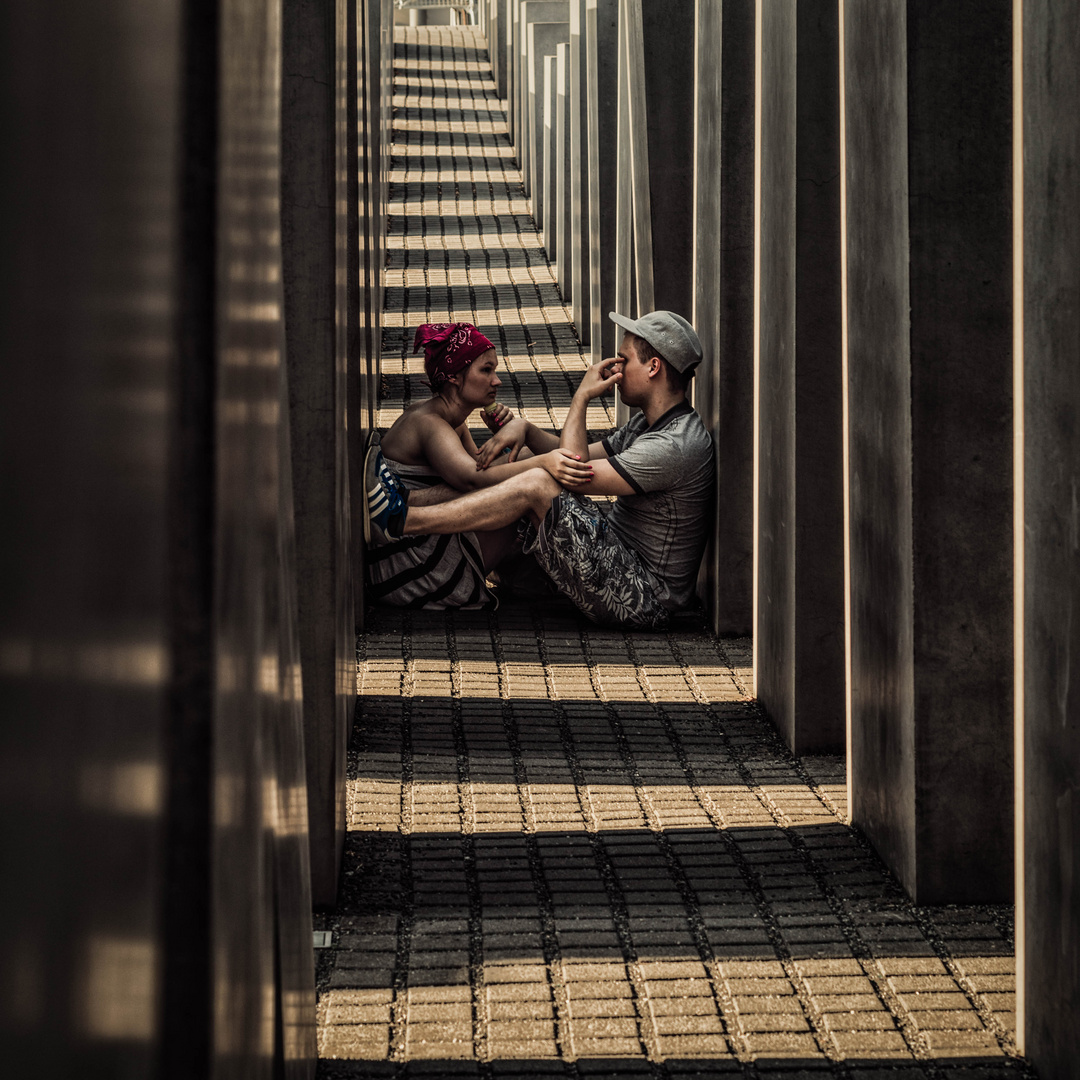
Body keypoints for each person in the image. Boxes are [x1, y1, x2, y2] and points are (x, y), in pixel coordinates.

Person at [367, 311, 715, 629]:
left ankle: (405, 519)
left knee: (535, 483)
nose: (614, 370)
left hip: (644, 598)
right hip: (615, 562)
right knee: (514, 475)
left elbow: (572, 471)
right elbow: (570, 456)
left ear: (653, 367)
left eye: (623, 361)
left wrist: (581, 398)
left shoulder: (674, 444)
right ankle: (409, 506)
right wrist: (527, 430)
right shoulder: (646, 425)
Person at [365, 321, 592, 609]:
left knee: (519, 464)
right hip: (411, 569)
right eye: (486, 370)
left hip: (418, 552)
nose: (496, 380)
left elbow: (482, 473)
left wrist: (506, 437)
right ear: (455, 377)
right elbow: (470, 481)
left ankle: (529, 573)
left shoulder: (452, 420)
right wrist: (543, 461)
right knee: (527, 474)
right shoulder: (429, 422)